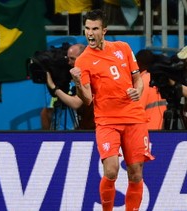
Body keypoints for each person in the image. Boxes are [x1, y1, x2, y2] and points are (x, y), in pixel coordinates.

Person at [69, 9, 154, 210]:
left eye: (95, 29)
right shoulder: (83, 61)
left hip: (134, 118)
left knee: (136, 173)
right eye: (87, 28)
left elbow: (137, 79)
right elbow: (87, 99)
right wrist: (78, 84)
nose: (90, 33)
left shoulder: (123, 48)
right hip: (107, 121)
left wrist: (137, 91)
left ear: (104, 30)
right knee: (111, 171)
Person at [46, 43, 95, 130]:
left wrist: (54, 87)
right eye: (67, 58)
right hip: (83, 127)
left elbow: (75, 103)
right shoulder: (74, 76)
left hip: (94, 130)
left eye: (72, 59)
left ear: (83, 57)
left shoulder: (90, 75)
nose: (69, 63)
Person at [135, 49, 167, 129]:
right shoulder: (160, 78)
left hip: (147, 130)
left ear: (138, 64)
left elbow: (137, 110)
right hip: (163, 129)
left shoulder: (142, 82)